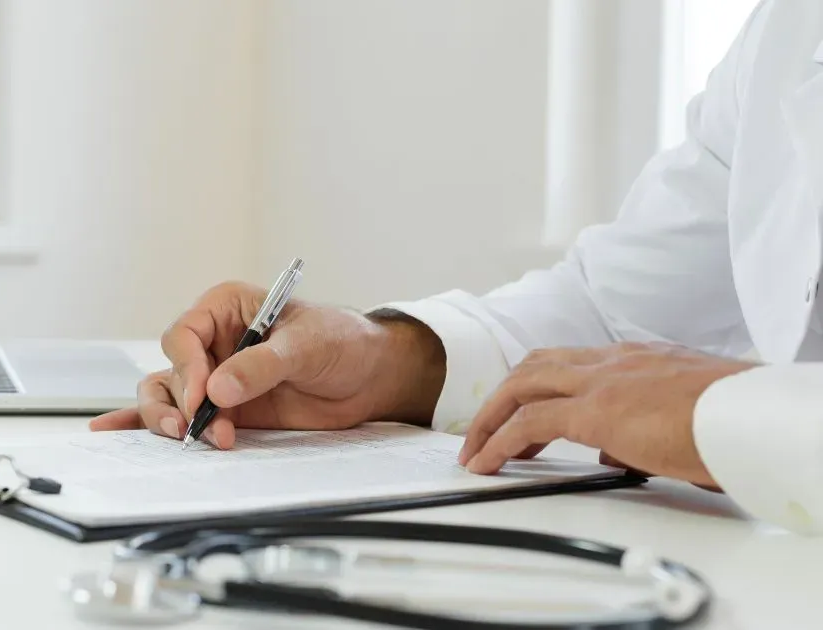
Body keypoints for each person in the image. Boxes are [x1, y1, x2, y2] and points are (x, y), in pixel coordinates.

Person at [91, 0, 823, 535]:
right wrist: (383, 360)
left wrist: (726, 414)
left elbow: (661, 383)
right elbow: (611, 314)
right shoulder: (789, 31)